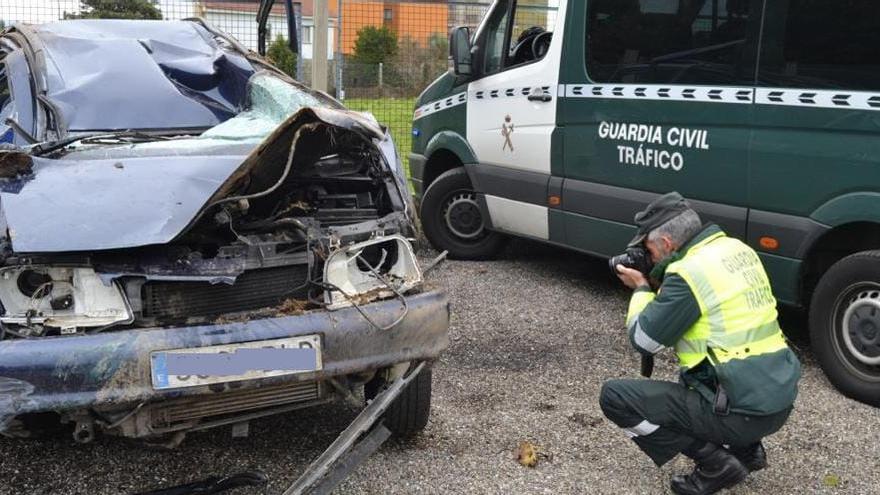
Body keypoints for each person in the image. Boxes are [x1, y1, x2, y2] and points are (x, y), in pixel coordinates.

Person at [599, 192, 801, 495]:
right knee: (699, 365)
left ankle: (716, 463)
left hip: (741, 411)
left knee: (614, 397)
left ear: (667, 244)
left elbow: (644, 340)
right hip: (779, 400)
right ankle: (747, 450)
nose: (649, 258)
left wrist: (642, 289)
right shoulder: (735, 249)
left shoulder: (689, 273)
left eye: (650, 250)